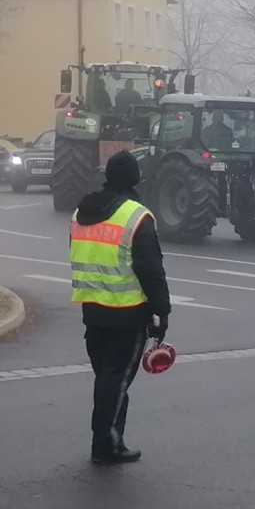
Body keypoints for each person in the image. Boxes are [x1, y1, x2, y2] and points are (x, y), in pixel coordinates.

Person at [69, 150, 170, 465]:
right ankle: (106, 445)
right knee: (115, 381)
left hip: (92, 309)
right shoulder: (137, 217)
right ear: (135, 178)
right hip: (127, 313)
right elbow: (151, 270)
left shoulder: (80, 213)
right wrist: (162, 312)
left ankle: (110, 439)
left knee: (106, 378)